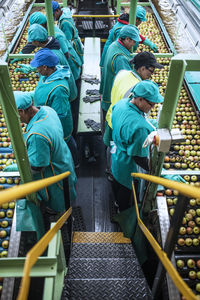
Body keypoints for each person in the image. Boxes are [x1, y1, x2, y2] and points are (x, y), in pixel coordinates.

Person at [103, 52, 163, 180]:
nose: (151, 75)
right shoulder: (135, 87)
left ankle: (110, 171)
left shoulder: (123, 73)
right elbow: (134, 114)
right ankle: (114, 175)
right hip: (122, 124)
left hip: (113, 116)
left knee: (111, 148)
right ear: (142, 68)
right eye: (150, 72)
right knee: (120, 153)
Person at [14, 91, 76, 212]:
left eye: (17, 114)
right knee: (67, 195)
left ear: (21, 111)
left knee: (60, 206)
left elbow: (38, 167)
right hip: (64, 159)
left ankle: (62, 220)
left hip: (55, 175)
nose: (18, 119)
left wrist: (17, 168)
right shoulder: (47, 110)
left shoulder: (37, 135)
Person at [111, 80, 163, 212]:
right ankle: (122, 212)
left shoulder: (122, 104)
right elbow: (137, 157)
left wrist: (153, 126)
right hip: (126, 165)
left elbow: (131, 119)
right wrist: (154, 171)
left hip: (116, 154)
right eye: (151, 104)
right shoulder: (140, 128)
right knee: (126, 189)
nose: (152, 107)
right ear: (140, 99)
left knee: (116, 182)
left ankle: (116, 202)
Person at [29, 48, 79, 167]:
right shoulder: (49, 74)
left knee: (66, 144)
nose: (37, 69)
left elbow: (60, 115)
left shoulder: (59, 89)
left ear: (45, 67)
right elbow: (41, 89)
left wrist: (48, 130)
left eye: (38, 67)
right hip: (45, 115)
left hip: (59, 126)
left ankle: (74, 164)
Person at [10, 12, 82, 81]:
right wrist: (21, 54)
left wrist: (38, 66)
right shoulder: (44, 34)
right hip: (60, 66)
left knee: (73, 81)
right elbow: (35, 42)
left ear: (41, 25)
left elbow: (65, 56)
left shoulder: (57, 36)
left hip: (69, 64)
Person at [15, 23, 77, 103]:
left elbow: (53, 79)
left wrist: (36, 94)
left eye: (32, 41)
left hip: (65, 95)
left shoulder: (53, 54)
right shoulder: (52, 44)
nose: (31, 44)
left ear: (37, 41)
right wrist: (32, 68)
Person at [100, 25, 141, 120]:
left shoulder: (114, 45)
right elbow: (126, 83)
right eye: (133, 41)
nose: (134, 44)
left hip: (107, 87)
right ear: (127, 39)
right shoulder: (121, 58)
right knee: (110, 119)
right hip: (112, 96)